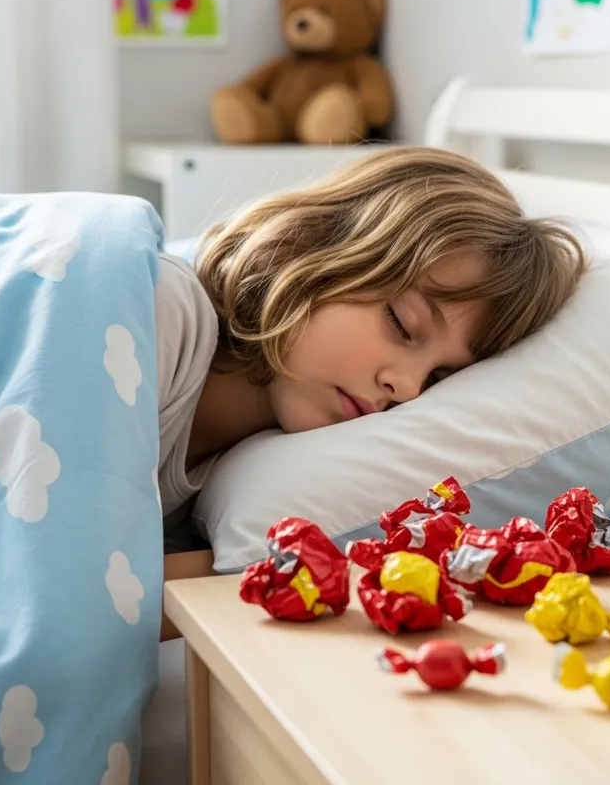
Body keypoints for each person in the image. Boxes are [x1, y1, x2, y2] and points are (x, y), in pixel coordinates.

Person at [157, 146, 586, 640]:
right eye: (403, 324)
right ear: (308, 242)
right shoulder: (158, 316)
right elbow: (70, 604)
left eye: (437, 380)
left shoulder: (216, 478)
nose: (405, 388)